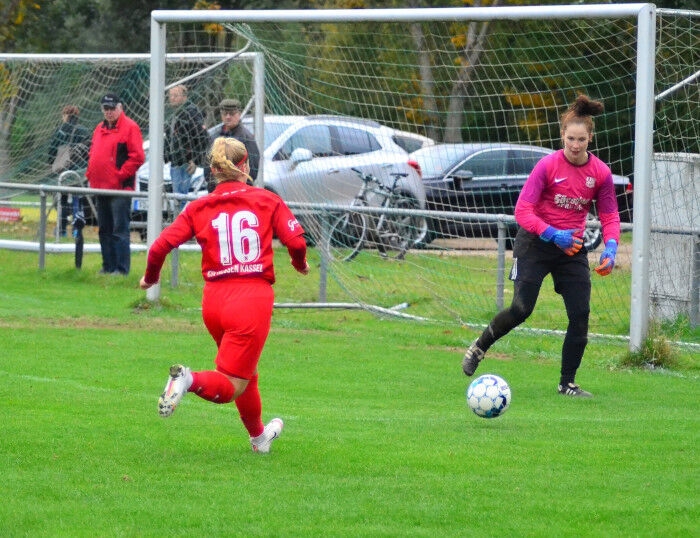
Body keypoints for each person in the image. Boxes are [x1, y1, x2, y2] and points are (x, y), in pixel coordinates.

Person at [140, 137, 310, 453]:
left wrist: (150, 278)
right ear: (245, 166)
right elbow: (297, 243)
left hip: (214, 302)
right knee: (232, 384)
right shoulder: (266, 199)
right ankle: (188, 379)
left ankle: (259, 438)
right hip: (250, 299)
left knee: (246, 373)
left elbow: (159, 247)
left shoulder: (198, 207)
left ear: (214, 170)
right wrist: (300, 265)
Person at [461, 94, 621, 398]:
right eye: (570, 139)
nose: (575, 145)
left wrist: (611, 247)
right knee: (521, 309)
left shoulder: (600, 173)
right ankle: (479, 347)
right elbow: (522, 211)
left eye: (581, 139)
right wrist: (552, 234)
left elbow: (610, 216)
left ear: (590, 138)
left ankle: (567, 383)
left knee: (580, 314)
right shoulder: (547, 166)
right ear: (562, 136)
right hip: (535, 243)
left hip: (571, 249)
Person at [86, 94, 145, 275]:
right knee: (104, 229)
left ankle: (121, 269)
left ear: (120, 108)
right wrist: (90, 172)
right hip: (100, 186)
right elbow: (93, 152)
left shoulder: (130, 127)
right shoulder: (99, 128)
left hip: (120, 188)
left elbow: (137, 157)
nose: (109, 112)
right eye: (106, 108)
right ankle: (108, 266)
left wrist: (119, 175)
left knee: (119, 229)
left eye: (112, 108)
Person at [47, 105, 90, 236]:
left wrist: (51, 162)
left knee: (62, 200)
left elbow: (52, 149)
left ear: (66, 115)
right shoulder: (84, 131)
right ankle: (77, 229)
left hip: (64, 171)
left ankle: (62, 230)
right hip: (80, 171)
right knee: (78, 199)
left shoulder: (61, 130)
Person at [164, 84, 208, 211]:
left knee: (181, 198)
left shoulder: (191, 113)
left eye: (175, 95)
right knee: (177, 197)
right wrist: (166, 156)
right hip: (175, 162)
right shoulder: (174, 114)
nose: (172, 98)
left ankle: (181, 219)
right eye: (171, 96)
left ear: (184, 97)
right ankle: (178, 218)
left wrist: (195, 160)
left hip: (185, 163)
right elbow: (170, 137)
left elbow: (202, 137)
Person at [206, 98, 260, 189]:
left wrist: (242, 187)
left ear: (239, 114)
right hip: (217, 188)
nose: (228, 117)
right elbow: (207, 164)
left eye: (231, 114)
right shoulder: (214, 136)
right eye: (225, 114)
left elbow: (253, 169)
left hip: (238, 189)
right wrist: (213, 184)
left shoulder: (246, 138)